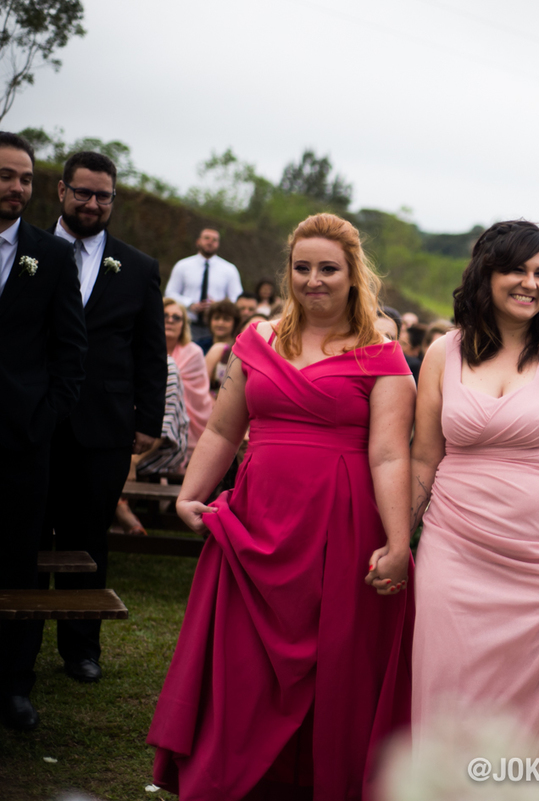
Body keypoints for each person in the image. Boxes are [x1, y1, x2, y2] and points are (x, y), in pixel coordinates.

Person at [148, 213, 416, 800]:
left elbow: (391, 456)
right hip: (256, 521)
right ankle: (235, 779)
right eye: (302, 268)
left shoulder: (382, 354)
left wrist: (398, 544)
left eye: (328, 268)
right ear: (287, 272)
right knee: (242, 665)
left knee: (332, 665)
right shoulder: (256, 340)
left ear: (353, 276)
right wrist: (192, 495)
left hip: (340, 525)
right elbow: (221, 429)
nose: (313, 280)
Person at [408, 220, 539, 757]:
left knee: (530, 701)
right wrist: (399, 535)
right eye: (517, 269)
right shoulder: (442, 354)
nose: (530, 283)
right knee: (448, 679)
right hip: (454, 544)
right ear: (486, 274)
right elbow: (425, 455)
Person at [39, 150, 167, 688]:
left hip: (106, 425)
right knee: (21, 531)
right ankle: (14, 646)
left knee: (89, 536)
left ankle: (80, 647)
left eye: (103, 196)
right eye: (83, 192)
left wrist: (148, 419)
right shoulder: (25, 251)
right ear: (61, 191)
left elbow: (150, 350)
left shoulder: (137, 268)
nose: (92, 203)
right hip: (32, 420)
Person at [0, 132, 87, 732]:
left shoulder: (50, 256)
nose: (17, 188)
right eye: (7, 176)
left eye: (26, 178)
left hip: (20, 444)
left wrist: (42, 417)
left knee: (17, 562)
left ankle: (13, 684)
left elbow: (69, 352)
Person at [165, 228, 243, 340]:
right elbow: (170, 293)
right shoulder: (182, 266)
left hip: (216, 328)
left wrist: (218, 306)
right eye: (206, 238)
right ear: (198, 241)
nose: (210, 242)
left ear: (218, 244)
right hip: (187, 324)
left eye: (214, 240)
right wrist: (190, 304)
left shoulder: (229, 269)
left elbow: (237, 298)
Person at [163, 298, 213, 465]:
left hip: (188, 423)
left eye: (176, 317)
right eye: (165, 315)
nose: (170, 320)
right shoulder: (145, 347)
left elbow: (192, 394)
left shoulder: (193, 353)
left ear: (183, 324)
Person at [203, 300, 240, 397]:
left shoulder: (238, 348)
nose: (220, 323)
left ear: (235, 323)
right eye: (216, 318)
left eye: (226, 319)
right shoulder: (199, 346)